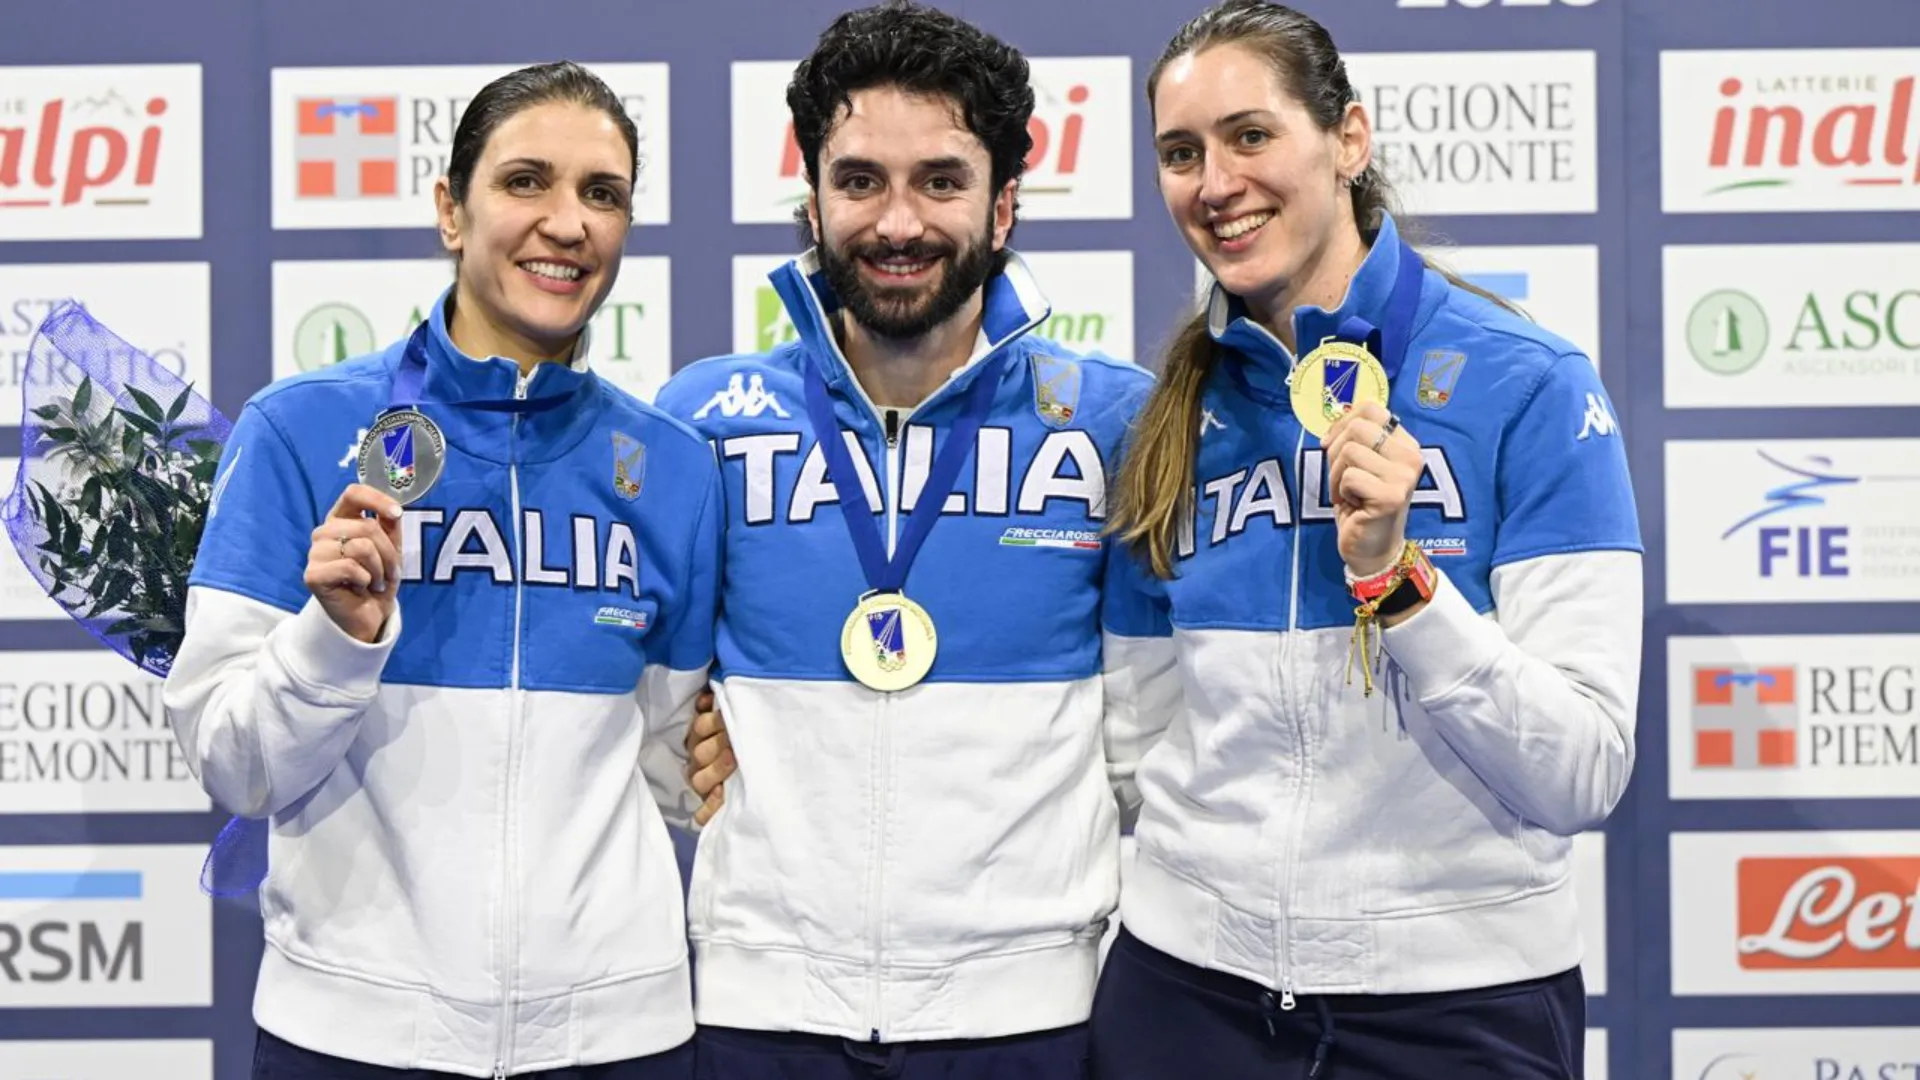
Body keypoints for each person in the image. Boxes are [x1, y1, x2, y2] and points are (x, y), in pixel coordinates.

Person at [1088, 3, 1641, 1078]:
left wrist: (1400, 581)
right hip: (1187, 996)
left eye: (1251, 135)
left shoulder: (1530, 384)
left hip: (1458, 1005)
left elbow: (1582, 770)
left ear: (1348, 139)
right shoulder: (1165, 418)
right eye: (1181, 153)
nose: (1216, 182)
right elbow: (1138, 741)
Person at [162, 61, 719, 1080]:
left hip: (618, 1040)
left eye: (602, 194)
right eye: (526, 181)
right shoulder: (301, 429)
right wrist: (334, 641)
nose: (567, 223)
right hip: (352, 1038)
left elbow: (668, 769)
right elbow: (237, 769)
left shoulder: (673, 469)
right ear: (451, 212)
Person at [654, 4, 1178, 1078]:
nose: (898, 224)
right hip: (760, 1015)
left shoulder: (1114, 423)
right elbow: (648, 719)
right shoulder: (704, 421)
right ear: (813, 202)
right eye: (860, 181)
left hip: (1028, 1018)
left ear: (1004, 205)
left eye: (941, 181)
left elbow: (1151, 746)